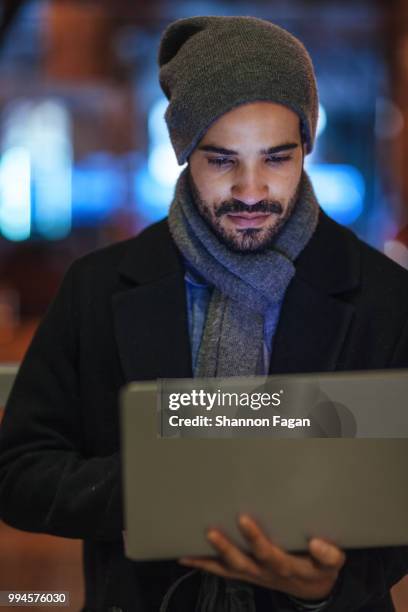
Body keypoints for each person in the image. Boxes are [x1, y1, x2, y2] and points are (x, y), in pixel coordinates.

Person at [1, 15, 408, 612]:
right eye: (221, 161)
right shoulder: (97, 287)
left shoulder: (385, 296)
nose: (250, 191)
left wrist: (333, 586)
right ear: (184, 152)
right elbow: (18, 472)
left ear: (306, 147)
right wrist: (158, 489)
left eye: (277, 158)